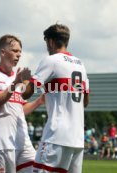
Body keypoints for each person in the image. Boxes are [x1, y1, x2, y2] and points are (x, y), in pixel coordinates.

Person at [22, 24, 90, 173]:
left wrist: (24, 80)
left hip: (56, 136)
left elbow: (26, 93)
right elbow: (85, 102)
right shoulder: (81, 65)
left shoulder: (51, 60)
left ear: (51, 41)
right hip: (77, 139)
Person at [0, 34, 45, 173]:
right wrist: (15, 83)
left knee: (37, 170)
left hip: (23, 142)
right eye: (15, 51)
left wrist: (39, 101)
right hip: (2, 142)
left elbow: (21, 109)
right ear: (2, 52)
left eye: (20, 52)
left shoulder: (18, 78)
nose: (19, 55)